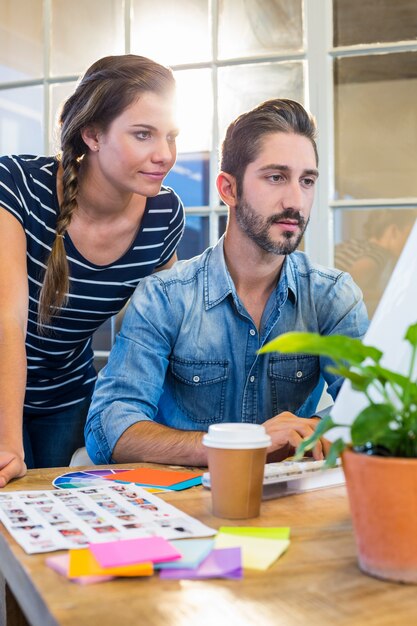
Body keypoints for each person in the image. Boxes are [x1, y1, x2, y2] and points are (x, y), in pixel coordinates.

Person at [85, 98, 368, 467]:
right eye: (276, 177)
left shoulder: (333, 296)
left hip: (293, 504)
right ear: (228, 189)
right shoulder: (165, 298)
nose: (296, 201)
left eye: (307, 181)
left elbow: (375, 411)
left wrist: (314, 427)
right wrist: (244, 443)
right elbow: (108, 429)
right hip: (187, 509)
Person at [0, 54, 185, 486]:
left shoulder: (164, 214)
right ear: (93, 134)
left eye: (171, 136)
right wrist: (8, 444)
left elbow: (160, 331)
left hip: (69, 395)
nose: (165, 155)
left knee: (57, 518)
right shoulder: (16, 186)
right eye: (143, 134)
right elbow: (7, 322)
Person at [334, 209, 416, 316]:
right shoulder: (378, 255)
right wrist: (388, 295)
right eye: (409, 235)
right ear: (394, 231)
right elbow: (348, 290)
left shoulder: (353, 243)